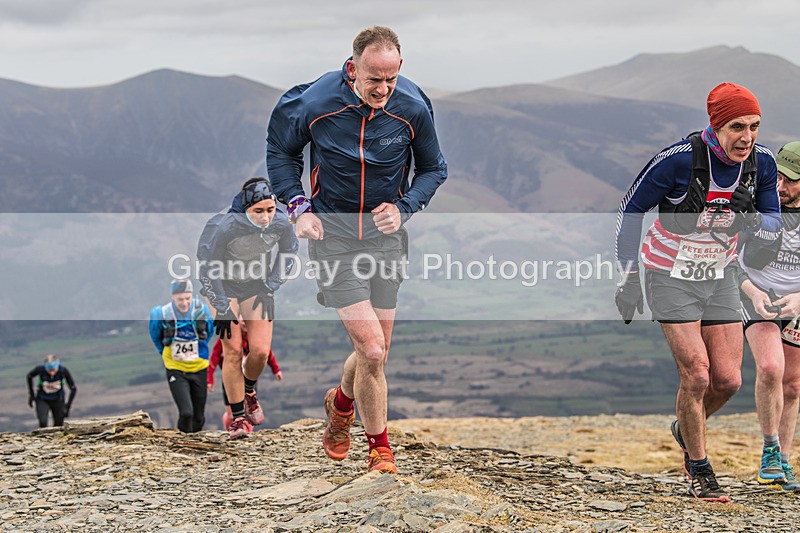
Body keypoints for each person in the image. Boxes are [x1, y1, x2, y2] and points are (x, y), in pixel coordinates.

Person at [266, 25, 447, 474]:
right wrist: (297, 207)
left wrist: (404, 208)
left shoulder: (412, 107)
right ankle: (380, 449)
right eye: (373, 79)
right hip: (334, 235)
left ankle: (341, 404)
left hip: (385, 237)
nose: (383, 89)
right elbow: (280, 152)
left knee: (379, 350)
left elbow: (434, 169)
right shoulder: (315, 103)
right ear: (353, 69)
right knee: (370, 350)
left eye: (391, 78)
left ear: (400, 68)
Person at [614, 82, 781, 502]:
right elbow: (630, 209)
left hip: (720, 273)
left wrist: (757, 225)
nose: (747, 137)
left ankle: (686, 427)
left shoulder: (760, 163)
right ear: (716, 124)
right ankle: (701, 471)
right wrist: (630, 276)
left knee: (726, 381)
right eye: (737, 127)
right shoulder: (678, 161)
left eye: (755, 126)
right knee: (697, 375)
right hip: (668, 273)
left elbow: (774, 218)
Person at [197, 177, 298, 439]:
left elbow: (289, 252)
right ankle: (238, 418)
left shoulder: (281, 223)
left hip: (256, 285)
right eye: (258, 211)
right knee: (231, 351)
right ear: (245, 208)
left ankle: (249, 389)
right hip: (223, 286)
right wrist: (221, 305)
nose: (266, 217)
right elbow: (207, 267)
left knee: (261, 352)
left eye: (270, 209)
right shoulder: (223, 226)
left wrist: (270, 285)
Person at [738, 141, 800, 491]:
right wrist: (753, 293)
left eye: (791, 180)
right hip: (757, 294)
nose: (780, 187)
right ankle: (769, 453)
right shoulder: (759, 204)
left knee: (792, 384)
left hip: (797, 302)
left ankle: (784, 463)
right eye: (777, 176)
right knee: (771, 368)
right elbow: (727, 256)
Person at [149, 278, 214, 433]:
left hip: (199, 367)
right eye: (180, 299)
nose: (184, 303)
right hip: (175, 368)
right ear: (173, 297)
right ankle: (183, 444)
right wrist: (165, 354)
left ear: (192, 296)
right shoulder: (161, 314)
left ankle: (195, 443)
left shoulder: (202, 311)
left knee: (199, 417)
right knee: (186, 413)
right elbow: (155, 336)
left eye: (187, 298)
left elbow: (209, 332)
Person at [208, 323, 283, 430]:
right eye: (241, 318)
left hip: (249, 377)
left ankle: (246, 432)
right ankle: (230, 426)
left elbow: (268, 354)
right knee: (230, 414)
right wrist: (210, 378)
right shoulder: (227, 338)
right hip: (230, 381)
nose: (244, 322)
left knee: (249, 409)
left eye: (246, 318)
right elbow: (214, 357)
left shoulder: (254, 338)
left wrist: (276, 370)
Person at [26, 354, 77, 428]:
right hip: (42, 399)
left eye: (54, 370)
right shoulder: (40, 369)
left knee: (58, 425)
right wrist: (31, 395)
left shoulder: (62, 370)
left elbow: (73, 388)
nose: (52, 373)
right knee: (43, 422)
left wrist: (68, 406)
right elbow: (29, 376)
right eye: (49, 370)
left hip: (58, 399)